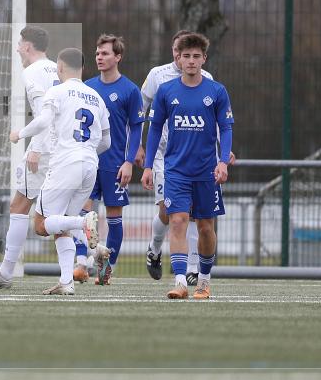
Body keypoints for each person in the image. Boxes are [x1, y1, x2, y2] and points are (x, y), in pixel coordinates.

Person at [10, 47, 110, 296]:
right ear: (83, 69)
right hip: (90, 165)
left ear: (60, 68)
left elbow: (43, 121)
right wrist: (86, 153)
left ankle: (83, 222)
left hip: (66, 163)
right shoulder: (96, 97)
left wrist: (19, 134)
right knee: (59, 226)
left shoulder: (57, 91)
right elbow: (107, 142)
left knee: (42, 225)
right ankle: (67, 281)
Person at [142, 32, 233, 300]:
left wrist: (223, 160)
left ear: (204, 59)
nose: (191, 61)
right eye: (186, 56)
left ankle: (204, 280)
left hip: (206, 171)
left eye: (196, 56)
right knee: (178, 221)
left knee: (205, 227)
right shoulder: (166, 91)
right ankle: (180, 281)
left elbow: (225, 128)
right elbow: (155, 129)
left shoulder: (216, 91)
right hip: (176, 171)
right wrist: (148, 166)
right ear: (178, 59)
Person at [0, 26, 60, 289]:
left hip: (44, 149)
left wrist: (35, 147)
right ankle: (90, 253)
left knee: (19, 207)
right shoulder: (57, 67)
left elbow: (46, 115)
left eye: (20, 43)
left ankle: (6, 272)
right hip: (64, 149)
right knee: (56, 216)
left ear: (29, 46)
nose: (17, 48)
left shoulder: (31, 72)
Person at [82, 34, 144, 285]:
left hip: (115, 164)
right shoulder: (87, 87)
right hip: (87, 162)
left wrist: (129, 161)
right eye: (97, 53)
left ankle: (108, 267)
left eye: (105, 53)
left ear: (118, 57)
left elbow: (137, 128)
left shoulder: (130, 90)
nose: (99, 57)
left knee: (114, 217)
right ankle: (80, 264)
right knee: (83, 214)